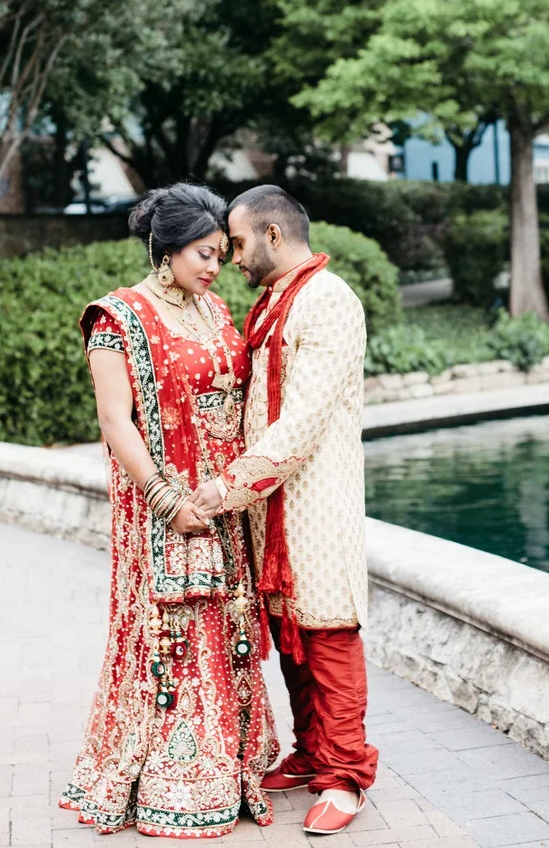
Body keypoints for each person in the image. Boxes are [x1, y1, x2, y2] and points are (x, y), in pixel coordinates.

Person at [59, 183, 278, 838]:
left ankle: (228, 765)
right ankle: (169, 778)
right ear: (168, 249)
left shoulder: (214, 311)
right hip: (161, 509)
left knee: (225, 627)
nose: (215, 267)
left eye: (220, 254)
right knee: (174, 636)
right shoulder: (115, 317)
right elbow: (113, 420)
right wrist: (167, 499)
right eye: (204, 254)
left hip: (223, 504)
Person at [193, 185, 378, 837]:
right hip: (269, 505)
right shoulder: (273, 301)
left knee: (327, 632)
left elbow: (302, 421)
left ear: (273, 235)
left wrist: (229, 485)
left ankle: (346, 776)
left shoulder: (328, 300)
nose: (231, 258)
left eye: (238, 244)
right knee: (290, 636)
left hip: (315, 498)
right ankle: (309, 753)